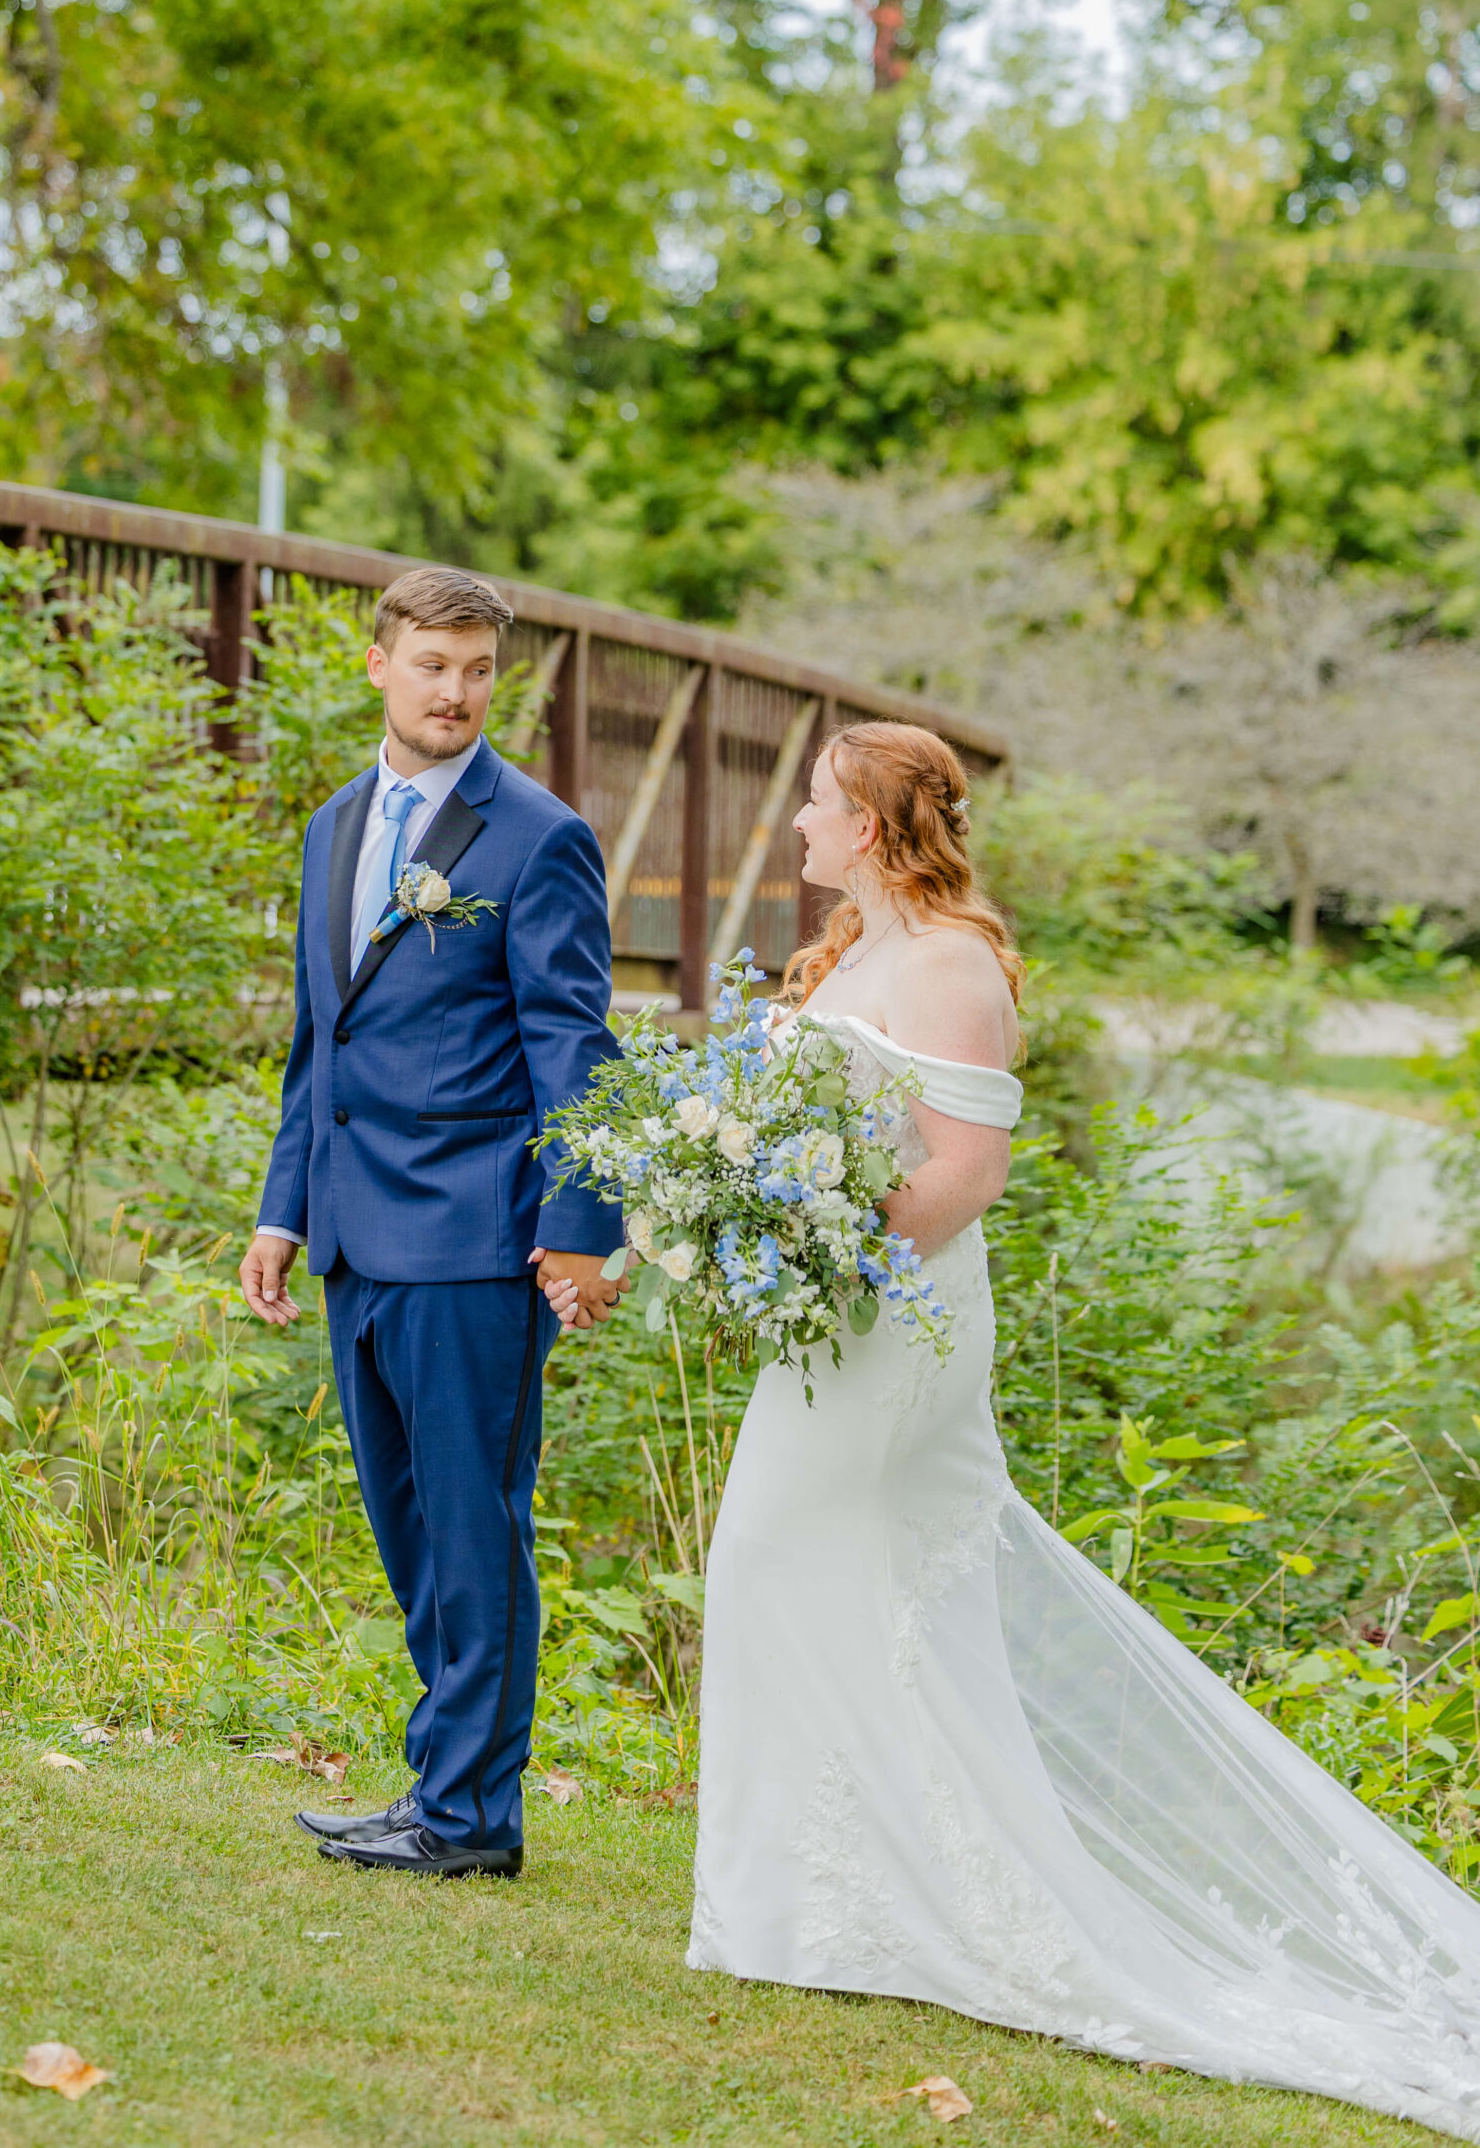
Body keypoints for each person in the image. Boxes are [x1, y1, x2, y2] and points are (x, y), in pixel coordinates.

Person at [616, 720, 1480, 2142]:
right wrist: (736, 1233)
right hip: (834, 1317)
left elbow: (964, 1171)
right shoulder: (842, 950)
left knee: (767, 1557)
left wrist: (818, 1246)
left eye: (819, 809)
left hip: (899, 1320)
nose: (796, 829)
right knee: (838, 1590)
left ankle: (846, 1908)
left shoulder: (953, 965)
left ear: (879, 830)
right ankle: (823, 1908)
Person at [240, 567, 623, 1880]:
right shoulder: (336, 828)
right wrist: (283, 1209)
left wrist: (582, 1229)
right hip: (354, 1235)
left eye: (477, 671)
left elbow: (576, 1048)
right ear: (379, 665)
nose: (455, 692)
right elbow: (319, 1041)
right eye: (433, 667)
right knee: (410, 1531)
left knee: (474, 1527)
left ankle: (468, 1819)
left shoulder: (537, 838)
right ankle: (442, 1784)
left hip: (475, 1240)